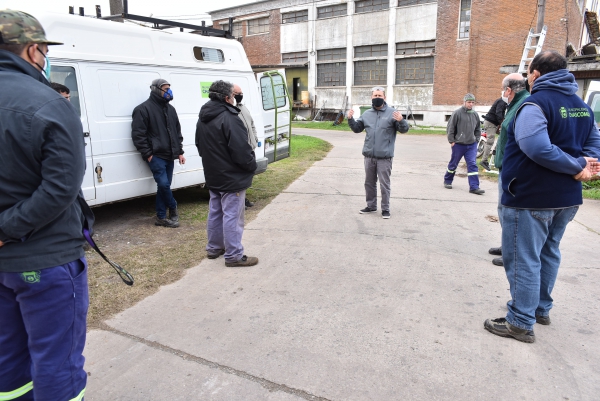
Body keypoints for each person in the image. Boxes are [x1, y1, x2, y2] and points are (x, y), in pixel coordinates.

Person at [0, 10, 89, 400]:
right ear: (34, 50)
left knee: (7, 358)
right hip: (45, 260)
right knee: (56, 362)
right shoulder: (49, 103)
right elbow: (60, 189)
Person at [484, 51, 600, 343]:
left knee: (524, 259)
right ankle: (539, 309)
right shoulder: (581, 107)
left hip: (530, 196)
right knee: (548, 252)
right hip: (567, 199)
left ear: (535, 75)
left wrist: (577, 167)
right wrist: (584, 167)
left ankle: (520, 321)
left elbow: (536, 147)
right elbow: (594, 146)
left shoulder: (536, 104)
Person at [195, 80, 258, 267]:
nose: (235, 98)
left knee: (215, 211)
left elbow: (199, 145)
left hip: (214, 174)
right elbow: (241, 150)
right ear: (226, 97)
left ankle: (214, 248)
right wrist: (251, 166)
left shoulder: (203, 116)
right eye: (233, 94)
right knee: (232, 215)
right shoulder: (230, 117)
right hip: (231, 177)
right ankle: (234, 255)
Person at [347, 86, 409, 219]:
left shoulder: (393, 113)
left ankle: (385, 209)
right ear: (371, 97)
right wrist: (350, 119)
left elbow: (404, 129)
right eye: (375, 96)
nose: (377, 98)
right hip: (369, 156)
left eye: (379, 96)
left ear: (384, 97)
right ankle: (371, 206)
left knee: (384, 184)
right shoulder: (366, 114)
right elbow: (357, 129)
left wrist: (401, 120)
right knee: (369, 183)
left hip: (384, 157)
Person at [487, 73, 529, 267]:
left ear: (509, 90)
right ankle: (507, 246)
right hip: (507, 166)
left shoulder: (524, 105)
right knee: (503, 210)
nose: (502, 93)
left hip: (514, 170)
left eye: (503, 89)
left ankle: (512, 253)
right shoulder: (513, 105)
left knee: (511, 213)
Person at [132, 78, 185, 228]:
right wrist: (148, 153)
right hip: (156, 156)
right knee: (163, 184)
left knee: (164, 186)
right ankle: (173, 207)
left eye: (169, 88)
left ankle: (161, 217)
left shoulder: (171, 109)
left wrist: (179, 152)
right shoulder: (143, 109)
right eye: (165, 89)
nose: (168, 91)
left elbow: (176, 132)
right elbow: (138, 135)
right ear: (156, 89)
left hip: (170, 155)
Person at [444, 93, 485, 194]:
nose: (470, 104)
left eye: (472, 102)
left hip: (471, 145)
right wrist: (452, 141)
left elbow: (477, 129)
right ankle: (448, 180)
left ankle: (474, 187)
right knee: (453, 164)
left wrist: (476, 140)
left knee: (472, 164)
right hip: (458, 144)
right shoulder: (457, 113)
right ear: (464, 102)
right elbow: (450, 128)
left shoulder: (475, 114)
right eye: (468, 102)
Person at [233, 83, 258, 209]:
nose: (240, 96)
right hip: (241, 150)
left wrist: (255, 138)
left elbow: (252, 124)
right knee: (240, 176)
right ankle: (239, 201)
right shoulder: (230, 110)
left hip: (250, 148)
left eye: (241, 93)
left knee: (248, 175)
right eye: (237, 94)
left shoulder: (243, 108)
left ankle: (243, 198)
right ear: (231, 95)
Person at [480, 96, 507, 170]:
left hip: (494, 123)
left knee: (504, 135)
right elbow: (498, 113)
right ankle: (484, 161)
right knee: (490, 142)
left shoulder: (503, 102)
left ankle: (496, 150)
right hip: (491, 123)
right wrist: (502, 122)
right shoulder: (502, 101)